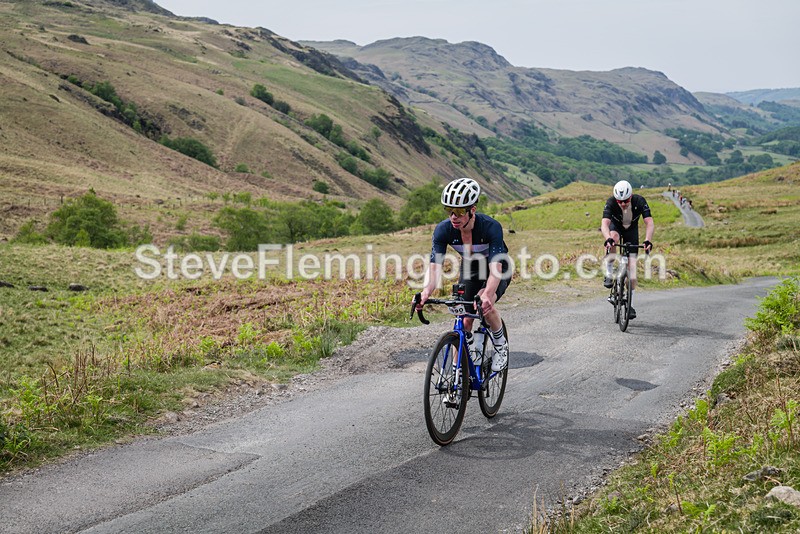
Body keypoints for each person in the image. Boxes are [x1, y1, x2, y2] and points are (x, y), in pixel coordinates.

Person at [415, 177, 511, 371]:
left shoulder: (490, 227)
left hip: (497, 267)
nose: (453, 217)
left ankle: (501, 346)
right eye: (449, 210)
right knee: (464, 317)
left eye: (459, 212)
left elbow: (496, 269)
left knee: (485, 305)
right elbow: (434, 267)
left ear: (472, 210)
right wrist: (425, 292)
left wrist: (487, 294)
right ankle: (458, 374)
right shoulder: (443, 230)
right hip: (471, 268)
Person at [600, 180, 654, 320]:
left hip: (631, 231)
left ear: (631, 197)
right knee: (613, 239)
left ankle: (630, 305)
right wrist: (607, 238)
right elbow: (605, 223)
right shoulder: (611, 202)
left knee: (632, 271)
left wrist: (647, 240)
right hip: (616, 227)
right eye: (620, 201)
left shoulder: (639, 201)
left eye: (626, 201)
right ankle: (609, 272)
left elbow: (649, 222)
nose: (623, 204)